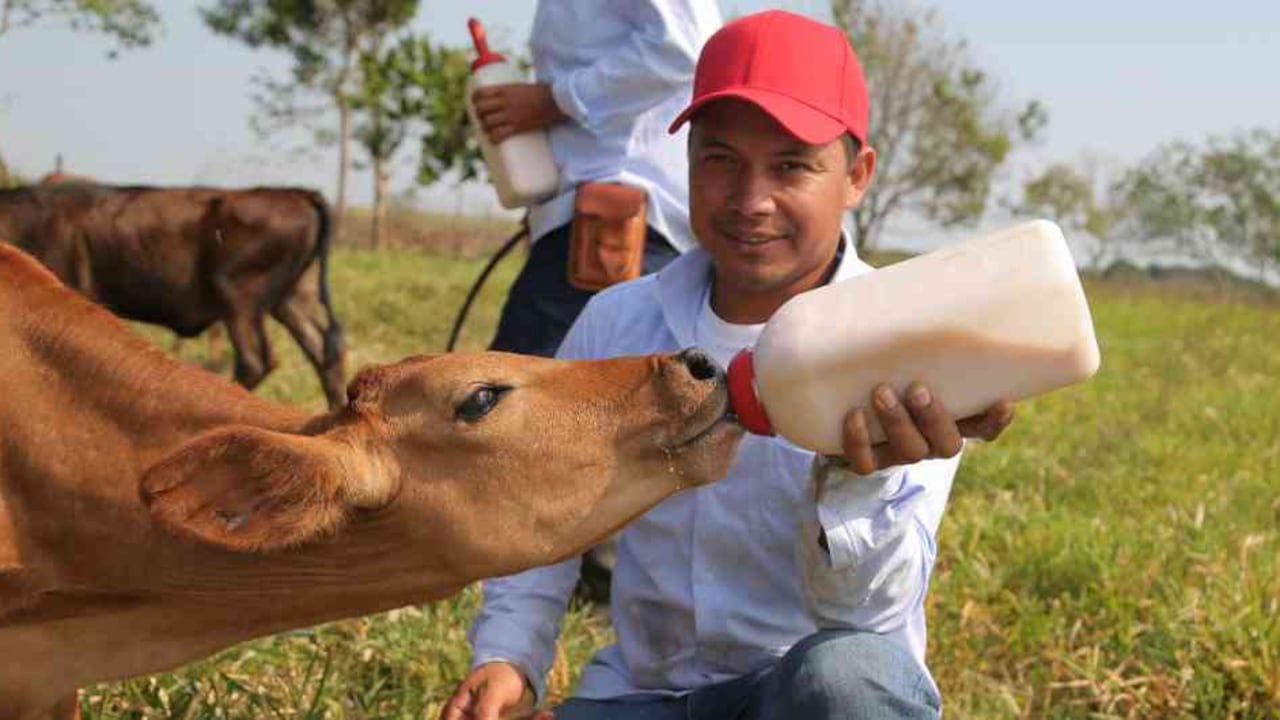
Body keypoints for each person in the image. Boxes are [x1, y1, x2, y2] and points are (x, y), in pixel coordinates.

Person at [444, 10, 1016, 720]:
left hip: (800, 693)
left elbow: (866, 622)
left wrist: (857, 480)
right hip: (647, 695)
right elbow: (542, 507)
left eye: (791, 165)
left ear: (857, 175)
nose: (751, 201)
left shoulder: (899, 343)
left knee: (849, 681)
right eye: (720, 160)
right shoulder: (619, 322)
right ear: (684, 163)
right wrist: (510, 658)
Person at [472, 1, 723, 358]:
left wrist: (553, 101)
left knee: (511, 403)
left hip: (615, 224)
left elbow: (682, 47)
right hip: (594, 221)